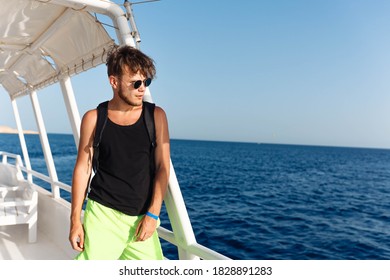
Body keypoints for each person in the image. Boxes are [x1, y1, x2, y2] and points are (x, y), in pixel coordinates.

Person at [69, 45, 170, 260]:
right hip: (103, 214)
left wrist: (153, 213)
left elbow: (163, 167)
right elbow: (83, 168)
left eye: (146, 82)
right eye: (136, 83)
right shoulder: (94, 118)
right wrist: (75, 219)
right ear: (114, 82)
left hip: (141, 219)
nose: (142, 88)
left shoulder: (157, 117)